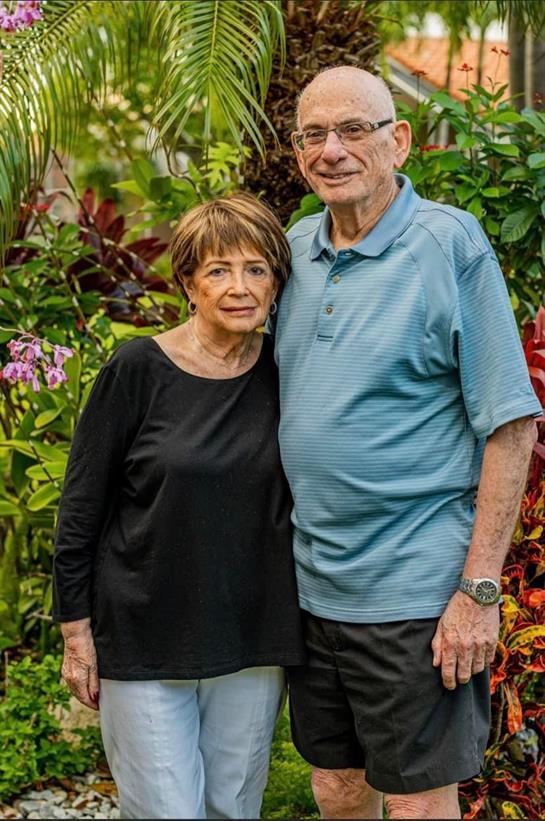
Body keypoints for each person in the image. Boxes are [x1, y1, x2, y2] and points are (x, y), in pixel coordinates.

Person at [273, 66, 542, 820]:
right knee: (336, 784)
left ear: (398, 142)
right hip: (312, 589)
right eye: (313, 134)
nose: (331, 150)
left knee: (419, 801)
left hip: (415, 596)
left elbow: (511, 423)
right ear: (297, 154)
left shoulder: (447, 244)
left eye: (352, 129)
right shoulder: (291, 252)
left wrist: (477, 591)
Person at [53, 192, 306, 820]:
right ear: (188, 282)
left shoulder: (290, 370)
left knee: (232, 809)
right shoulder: (137, 368)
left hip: (251, 637)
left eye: (257, 269)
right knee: (168, 812)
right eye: (218, 270)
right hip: (142, 635)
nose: (240, 287)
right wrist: (76, 634)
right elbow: (80, 509)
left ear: (277, 283)